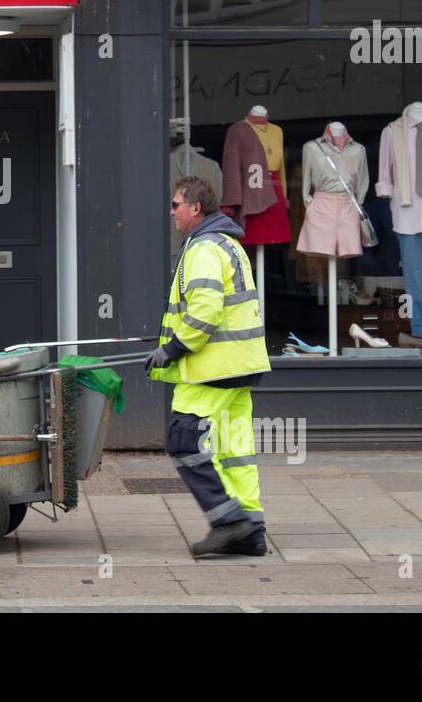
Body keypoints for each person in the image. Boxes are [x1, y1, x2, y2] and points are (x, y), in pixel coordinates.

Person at [146, 175, 272, 557]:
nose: (171, 213)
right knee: (234, 450)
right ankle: (251, 530)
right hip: (241, 364)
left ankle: (229, 522)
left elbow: (205, 309)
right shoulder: (228, 244)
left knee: (184, 440)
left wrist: (174, 349)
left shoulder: (202, 248)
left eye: (175, 205)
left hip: (212, 367)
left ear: (195, 208)